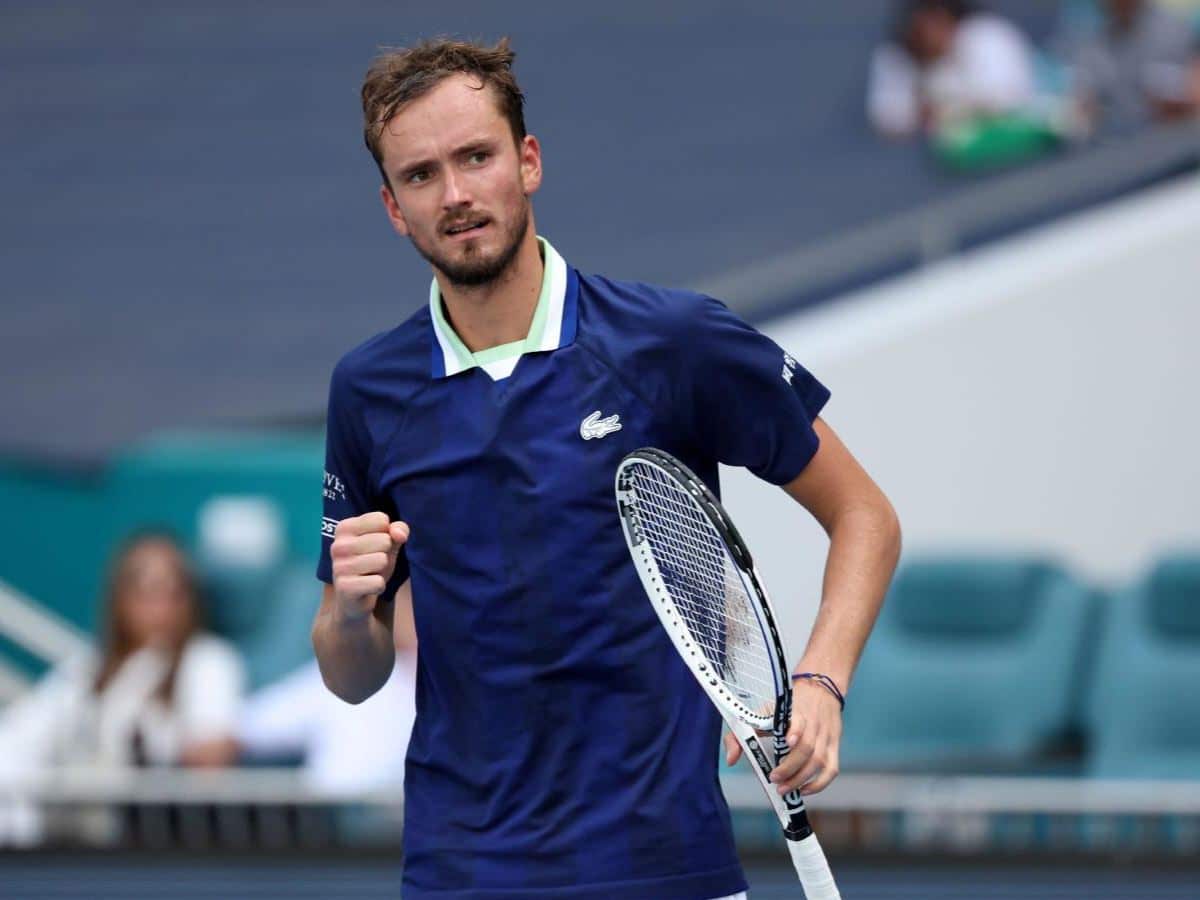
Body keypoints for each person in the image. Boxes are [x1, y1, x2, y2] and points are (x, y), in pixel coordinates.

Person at [311, 38, 901, 900]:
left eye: (476, 157)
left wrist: (820, 681)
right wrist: (349, 610)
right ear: (394, 208)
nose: (458, 194)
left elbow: (865, 516)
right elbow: (352, 676)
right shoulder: (367, 391)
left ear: (529, 161)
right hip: (460, 870)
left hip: (667, 865)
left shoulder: (675, 342)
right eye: (422, 175)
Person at [0, 531, 245, 844]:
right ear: (120, 598)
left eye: (174, 589)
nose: (161, 604)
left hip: (160, 844)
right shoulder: (85, 672)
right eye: (146, 589)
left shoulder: (208, 660)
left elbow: (211, 755)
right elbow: (18, 737)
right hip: (75, 845)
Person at [868, 0, 1040, 137]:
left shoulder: (985, 35)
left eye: (934, 21)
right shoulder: (898, 55)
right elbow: (888, 119)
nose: (928, 34)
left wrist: (951, 109)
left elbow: (1007, 97)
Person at [1059, 0, 1200, 129]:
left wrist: (1183, 103)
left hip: (1173, 142)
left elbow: (1193, 92)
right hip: (1116, 147)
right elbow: (1082, 109)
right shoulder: (1091, 46)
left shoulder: (1176, 32)